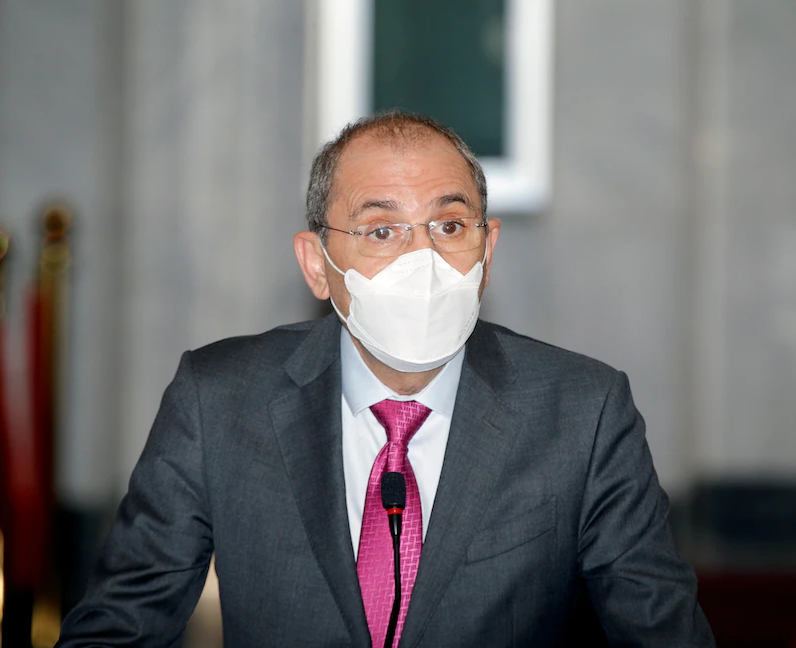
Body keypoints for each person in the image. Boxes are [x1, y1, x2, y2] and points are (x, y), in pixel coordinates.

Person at [57, 110, 715, 647]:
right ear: (317, 265)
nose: (422, 259)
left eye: (449, 226)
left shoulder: (583, 412)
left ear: (487, 252)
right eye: (381, 231)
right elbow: (119, 627)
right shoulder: (219, 401)